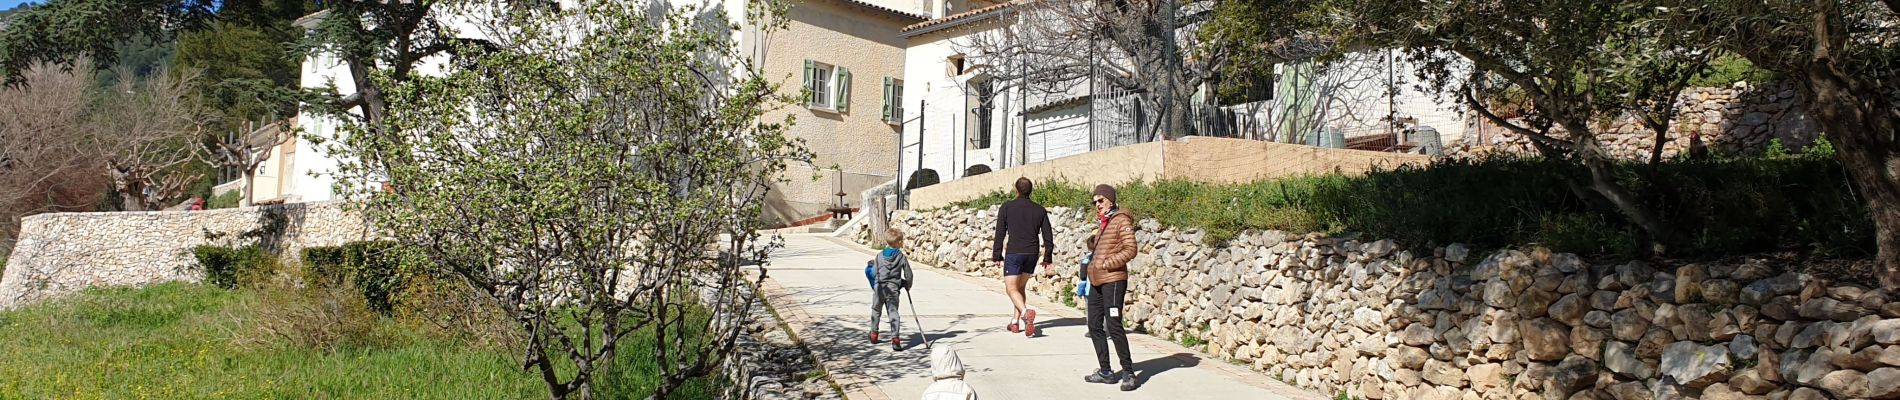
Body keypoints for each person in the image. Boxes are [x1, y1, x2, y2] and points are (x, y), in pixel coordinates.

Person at [1084, 184, 1138, 391]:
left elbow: (1131, 249)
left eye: (1101, 200)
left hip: (1113, 280)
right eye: (1095, 201)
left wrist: (1107, 264)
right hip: (1097, 281)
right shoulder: (1104, 223)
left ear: (1111, 200)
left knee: (1113, 325)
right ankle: (1105, 371)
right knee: (1094, 325)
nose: (1098, 204)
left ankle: (1128, 372)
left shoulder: (1121, 220)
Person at [991, 177, 1054, 337]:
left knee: (1011, 289)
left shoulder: (1007, 207)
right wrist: (1047, 257)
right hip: (1031, 254)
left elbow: (1000, 232)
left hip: (1014, 252)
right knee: (1020, 288)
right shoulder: (1039, 210)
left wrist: (997, 254)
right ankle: (1014, 322)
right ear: (1031, 190)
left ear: (1016, 190)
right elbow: (1048, 236)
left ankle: (1025, 313)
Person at [869, 228, 915, 351]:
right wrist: (907, 285)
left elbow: (874, 272)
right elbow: (909, 275)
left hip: (880, 288)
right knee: (893, 313)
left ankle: (874, 334)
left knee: (876, 310)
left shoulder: (879, 256)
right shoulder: (901, 257)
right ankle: (895, 339)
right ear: (899, 242)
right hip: (893, 289)